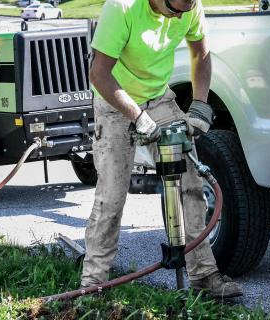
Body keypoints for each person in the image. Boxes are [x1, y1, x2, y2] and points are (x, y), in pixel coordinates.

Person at [81, 0, 243, 298]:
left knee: (191, 185)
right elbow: (99, 74)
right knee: (112, 195)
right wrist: (138, 117)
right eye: (175, 9)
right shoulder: (122, 8)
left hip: (158, 99)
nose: (181, 16)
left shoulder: (190, 5)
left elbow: (201, 54)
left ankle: (204, 276)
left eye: (186, 9)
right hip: (114, 102)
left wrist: (200, 107)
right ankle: (93, 283)